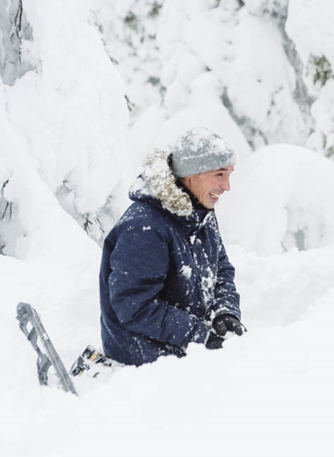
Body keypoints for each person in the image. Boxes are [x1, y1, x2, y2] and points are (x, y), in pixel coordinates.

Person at [99, 127, 245, 366]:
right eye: (219, 174)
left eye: (229, 174)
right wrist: (199, 336)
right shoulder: (144, 227)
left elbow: (221, 269)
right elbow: (135, 307)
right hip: (142, 354)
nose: (227, 185)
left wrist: (225, 312)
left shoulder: (200, 212)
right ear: (191, 174)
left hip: (184, 339)